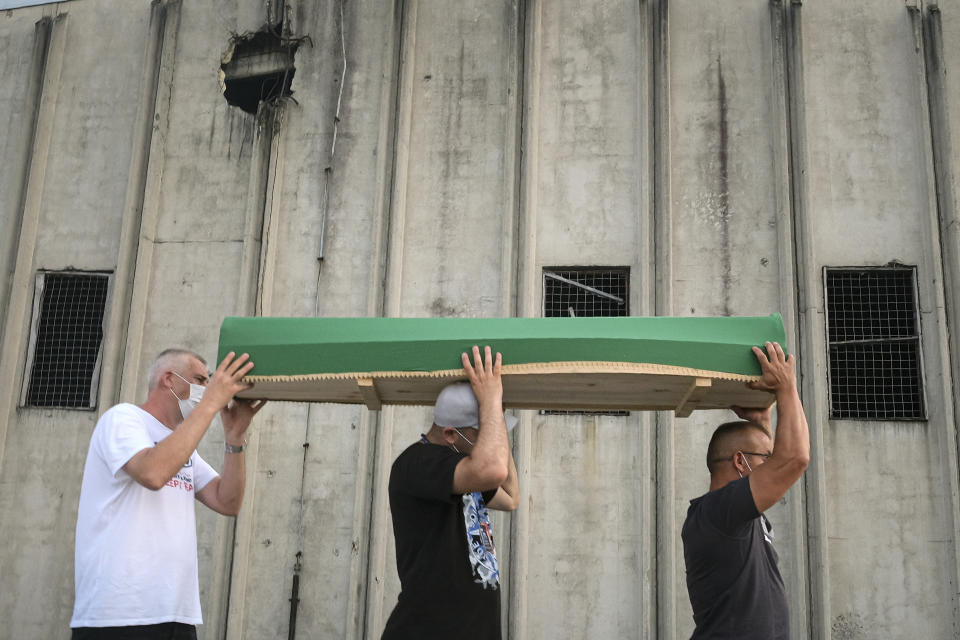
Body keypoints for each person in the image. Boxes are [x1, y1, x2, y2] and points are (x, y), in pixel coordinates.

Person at [70, 348, 266, 640]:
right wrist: (210, 404)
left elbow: (227, 501)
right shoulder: (123, 419)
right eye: (200, 379)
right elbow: (153, 473)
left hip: (176, 614)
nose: (207, 388)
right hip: (118, 616)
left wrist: (234, 438)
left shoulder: (179, 445)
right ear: (169, 380)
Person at [382, 345, 520, 640]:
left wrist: (493, 416)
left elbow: (510, 497)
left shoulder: (463, 470)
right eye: (482, 434)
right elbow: (493, 470)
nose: (493, 442)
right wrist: (490, 402)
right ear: (449, 434)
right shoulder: (417, 464)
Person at [681, 341, 810, 639]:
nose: (772, 463)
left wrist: (761, 419)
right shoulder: (716, 514)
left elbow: (784, 456)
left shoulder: (736, 516)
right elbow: (795, 458)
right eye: (767, 457)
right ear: (740, 461)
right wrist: (786, 387)